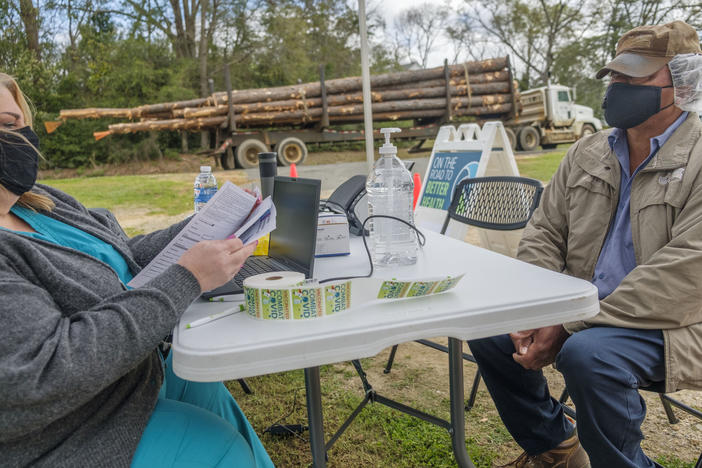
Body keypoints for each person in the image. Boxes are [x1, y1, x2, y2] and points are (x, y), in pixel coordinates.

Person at [0, 73, 274, 467]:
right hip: (69, 430)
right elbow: (45, 373)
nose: (13, 138)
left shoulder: (39, 202)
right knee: (220, 445)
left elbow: (120, 256)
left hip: (133, 370)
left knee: (202, 386)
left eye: (14, 124)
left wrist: (203, 229)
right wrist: (188, 277)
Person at [468, 20, 702, 468]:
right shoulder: (588, 151)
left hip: (678, 321)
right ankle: (555, 448)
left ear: (683, 81)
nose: (619, 86)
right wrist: (539, 310)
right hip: (581, 310)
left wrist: (571, 324)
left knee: (589, 355)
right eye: (616, 75)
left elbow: (685, 275)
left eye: (636, 76)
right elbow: (544, 232)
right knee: (490, 325)